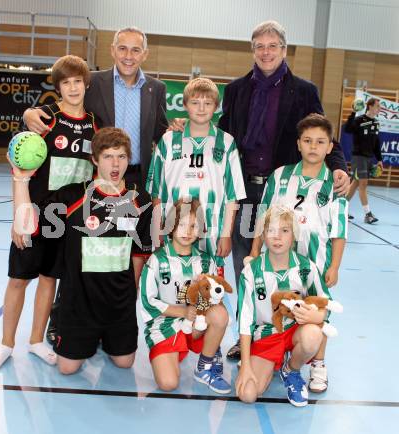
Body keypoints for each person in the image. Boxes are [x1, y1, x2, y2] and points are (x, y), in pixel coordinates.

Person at [216, 20, 349, 360]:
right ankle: (247, 333)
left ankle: (291, 335)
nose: (266, 52)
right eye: (259, 46)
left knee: (287, 265)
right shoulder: (235, 91)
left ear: (284, 49)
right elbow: (222, 137)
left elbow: (320, 133)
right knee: (247, 265)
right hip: (246, 195)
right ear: (253, 50)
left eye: (272, 45)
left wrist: (339, 167)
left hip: (283, 196)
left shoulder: (304, 91)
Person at [5, 127, 153, 374]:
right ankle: (75, 329)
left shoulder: (139, 199)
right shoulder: (73, 195)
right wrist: (21, 179)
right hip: (78, 304)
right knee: (67, 368)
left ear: (129, 159)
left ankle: (104, 338)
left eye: (121, 156)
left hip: (118, 303)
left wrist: (132, 292)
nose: (115, 164)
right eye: (108, 156)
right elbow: (27, 226)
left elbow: (139, 252)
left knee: (124, 362)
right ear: (94, 159)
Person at [0, 55, 98, 371]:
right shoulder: (42, 118)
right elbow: (19, 167)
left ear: (86, 84)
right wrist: (18, 216)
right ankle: (6, 344)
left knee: (50, 279)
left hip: (67, 219)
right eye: (66, 82)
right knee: (18, 279)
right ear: (58, 86)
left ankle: (35, 340)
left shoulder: (95, 123)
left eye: (78, 81)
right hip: (34, 215)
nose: (73, 88)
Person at [247, 113, 348, 393]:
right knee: (276, 302)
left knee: (317, 307)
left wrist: (335, 266)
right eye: (307, 141)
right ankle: (269, 343)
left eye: (320, 141)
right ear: (298, 144)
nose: (313, 146)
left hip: (316, 259)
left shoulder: (335, 184)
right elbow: (262, 217)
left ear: (330, 147)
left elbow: (339, 231)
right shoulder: (280, 176)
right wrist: (255, 250)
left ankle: (318, 363)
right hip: (278, 256)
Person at [23, 26, 168, 187]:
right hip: (98, 178)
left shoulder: (156, 89)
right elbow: (63, 107)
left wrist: (178, 128)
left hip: (139, 179)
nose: (128, 56)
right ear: (112, 50)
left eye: (135, 50)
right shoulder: (91, 81)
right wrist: (30, 113)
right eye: (122, 49)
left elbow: (161, 134)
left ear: (145, 54)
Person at [146, 77, 246, 272]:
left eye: (207, 103)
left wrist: (226, 234)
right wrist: (158, 228)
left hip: (213, 231)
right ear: (184, 105)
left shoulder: (226, 143)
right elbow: (156, 193)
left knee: (208, 289)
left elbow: (232, 197)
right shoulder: (167, 141)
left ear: (216, 106)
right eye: (195, 103)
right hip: (173, 228)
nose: (201, 108)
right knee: (172, 283)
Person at [236, 205, 331, 407]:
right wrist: (245, 365)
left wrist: (317, 317)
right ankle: (269, 364)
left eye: (284, 231)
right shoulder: (251, 271)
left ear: (294, 235)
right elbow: (245, 321)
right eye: (271, 231)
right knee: (248, 394)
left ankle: (291, 370)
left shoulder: (306, 267)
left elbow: (325, 303)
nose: (277, 237)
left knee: (313, 334)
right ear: (263, 235)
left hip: (294, 330)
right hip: (267, 335)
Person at [139, 198, 231, 394]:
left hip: (196, 325)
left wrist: (205, 293)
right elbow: (147, 301)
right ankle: (173, 353)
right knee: (168, 384)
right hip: (164, 326)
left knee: (220, 314)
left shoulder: (206, 262)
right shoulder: (157, 260)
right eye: (181, 225)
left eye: (193, 226)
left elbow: (217, 299)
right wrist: (183, 311)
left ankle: (204, 366)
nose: (187, 232)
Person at [345, 97, 383, 224]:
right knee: (363, 184)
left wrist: (379, 159)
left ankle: (341, 208)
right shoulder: (359, 120)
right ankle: (368, 214)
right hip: (358, 157)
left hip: (368, 158)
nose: (379, 108)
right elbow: (348, 129)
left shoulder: (376, 123)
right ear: (370, 106)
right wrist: (353, 112)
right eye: (377, 106)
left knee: (355, 184)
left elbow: (377, 142)